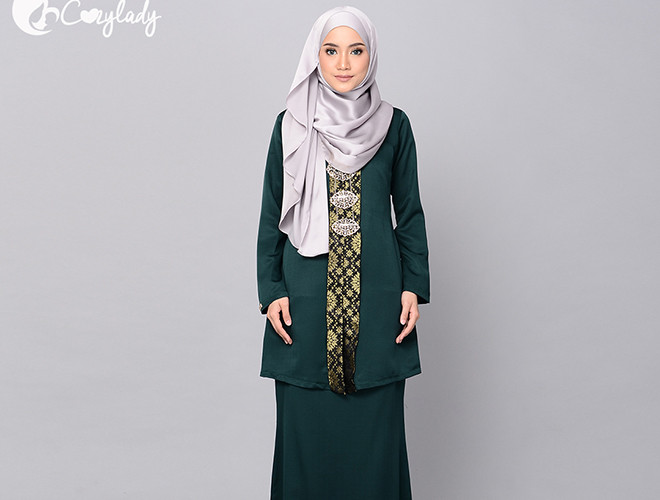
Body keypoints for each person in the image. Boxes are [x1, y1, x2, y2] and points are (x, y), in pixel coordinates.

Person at [256, 6, 430, 499]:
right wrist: (271, 290)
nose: (344, 63)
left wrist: (413, 286)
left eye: (356, 51)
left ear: (371, 57)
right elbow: (271, 214)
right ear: (316, 56)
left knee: (375, 447)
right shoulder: (291, 126)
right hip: (305, 307)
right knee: (306, 444)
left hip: (377, 309)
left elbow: (409, 214)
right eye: (331, 51)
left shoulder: (395, 126)